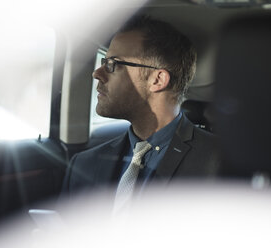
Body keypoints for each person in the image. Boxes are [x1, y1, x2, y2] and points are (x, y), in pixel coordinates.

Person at [60, 16, 220, 211]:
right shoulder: (83, 165)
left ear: (157, 79)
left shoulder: (221, 165)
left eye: (113, 64)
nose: (97, 73)